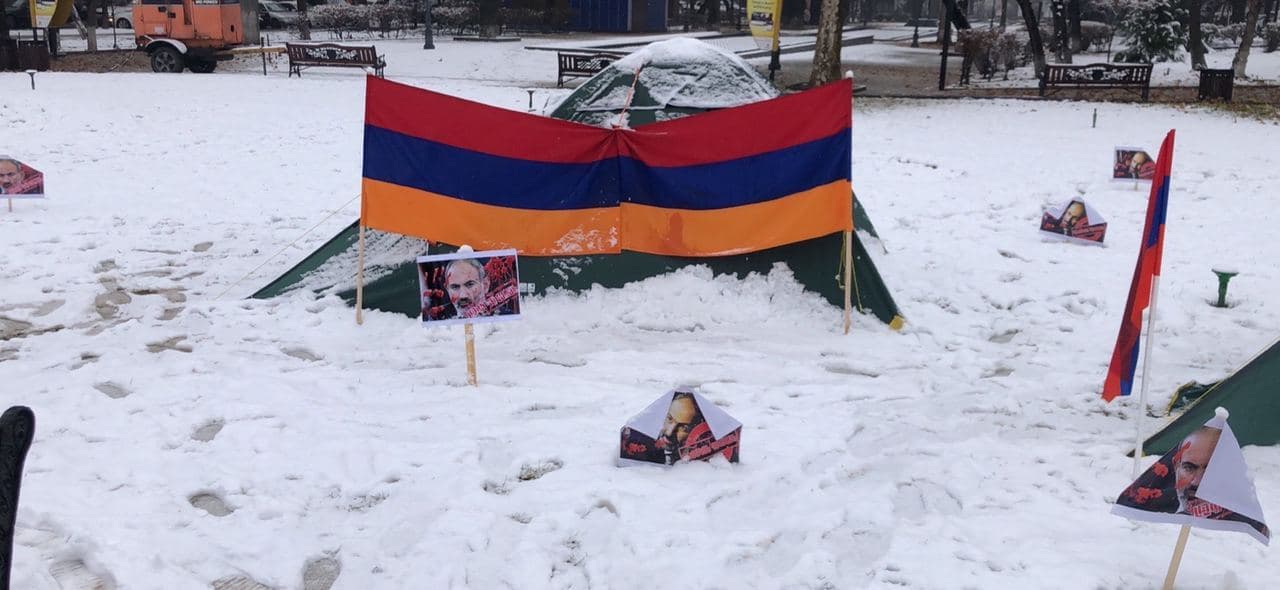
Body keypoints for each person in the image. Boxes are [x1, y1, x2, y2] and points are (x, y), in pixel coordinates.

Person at [1116, 426, 1271, 538]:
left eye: (1210, 471)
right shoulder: (1153, 502)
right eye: (1189, 468)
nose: (1197, 482)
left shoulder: (1243, 519)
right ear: (1176, 466)